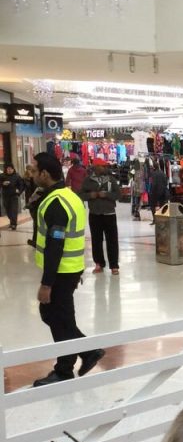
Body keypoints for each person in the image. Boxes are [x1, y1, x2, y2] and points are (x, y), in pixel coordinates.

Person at [28, 152, 104, 386]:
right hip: (69, 268)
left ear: (45, 173)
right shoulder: (66, 195)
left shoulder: (57, 202)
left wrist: (46, 284)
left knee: (57, 315)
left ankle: (65, 369)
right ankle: (84, 353)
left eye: (33, 169)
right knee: (55, 315)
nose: (30, 173)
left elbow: (55, 245)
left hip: (61, 271)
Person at [80, 158, 120, 275]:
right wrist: (90, 195)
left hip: (109, 214)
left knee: (112, 240)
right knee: (96, 240)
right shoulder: (88, 180)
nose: (104, 168)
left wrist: (106, 194)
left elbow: (118, 195)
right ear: (96, 167)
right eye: (102, 166)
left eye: (105, 166)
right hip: (95, 214)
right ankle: (99, 263)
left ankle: (114, 265)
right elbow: (81, 194)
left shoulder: (111, 180)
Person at [1, 163, 25, 230]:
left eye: (10, 169)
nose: (9, 170)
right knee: (8, 210)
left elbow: (21, 184)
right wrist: (2, 183)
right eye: (8, 169)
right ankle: (12, 222)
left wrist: (19, 191)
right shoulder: (2, 176)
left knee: (14, 210)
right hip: (5, 195)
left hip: (14, 196)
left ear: (13, 169)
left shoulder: (17, 176)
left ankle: (14, 224)